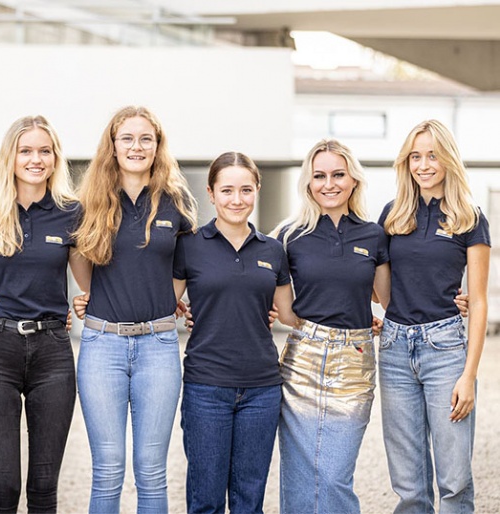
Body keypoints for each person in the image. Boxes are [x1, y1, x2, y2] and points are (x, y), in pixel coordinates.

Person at [0, 114, 91, 513]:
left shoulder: (72, 213)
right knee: (3, 488)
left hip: (52, 352)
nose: (35, 159)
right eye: (26, 150)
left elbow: (90, 285)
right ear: (11, 157)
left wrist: (85, 303)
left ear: (55, 158)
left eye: (44, 151)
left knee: (43, 489)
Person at [72, 105, 197, 513]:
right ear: (113, 145)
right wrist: (91, 293)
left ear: (158, 146)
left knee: (151, 470)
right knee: (107, 469)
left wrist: (171, 298)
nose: (136, 146)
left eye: (146, 138)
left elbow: (188, 264)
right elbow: (78, 257)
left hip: (158, 346)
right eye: (127, 138)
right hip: (102, 345)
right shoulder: (88, 201)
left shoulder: (176, 201)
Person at [172, 151, 296, 513]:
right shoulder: (190, 245)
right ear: (211, 193)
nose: (237, 199)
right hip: (206, 388)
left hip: (262, 389)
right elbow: (161, 302)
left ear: (257, 189)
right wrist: (91, 303)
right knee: (205, 500)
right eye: (227, 190)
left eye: (245, 189)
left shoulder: (273, 250)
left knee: (249, 501)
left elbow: (290, 313)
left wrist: (354, 317)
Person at [377, 119, 490, 513]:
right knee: (409, 483)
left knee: (455, 479)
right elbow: (380, 289)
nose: (424, 165)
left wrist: (468, 375)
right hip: (393, 349)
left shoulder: (469, 218)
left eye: (432, 155)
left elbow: (477, 301)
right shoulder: (392, 216)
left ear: (448, 160)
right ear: (406, 163)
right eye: (415, 156)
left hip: (445, 350)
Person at [272, 139, 391, 514]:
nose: (329, 184)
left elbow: (390, 301)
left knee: (335, 474)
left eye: (338, 174)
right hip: (302, 359)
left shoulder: (374, 235)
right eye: (319, 176)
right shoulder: (289, 236)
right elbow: (275, 304)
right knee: (300, 473)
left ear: (354, 179)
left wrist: (455, 300)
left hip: (354, 362)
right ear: (307, 183)